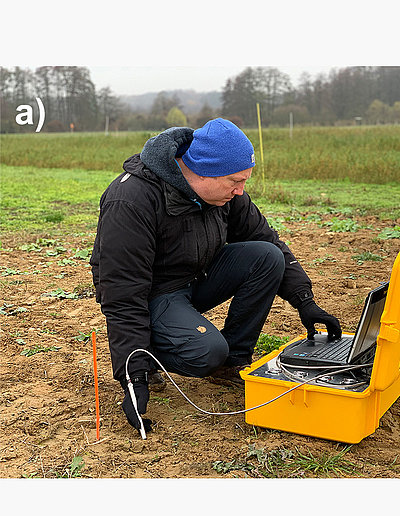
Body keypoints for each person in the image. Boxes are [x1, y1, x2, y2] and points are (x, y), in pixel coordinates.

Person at [90, 118, 342, 434]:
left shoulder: (225, 194)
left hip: (197, 274)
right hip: (153, 292)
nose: (241, 191)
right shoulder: (132, 199)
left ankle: (231, 362)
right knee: (206, 351)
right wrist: (134, 374)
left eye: (245, 181)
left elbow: (265, 237)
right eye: (235, 181)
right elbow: (122, 293)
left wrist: (306, 301)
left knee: (266, 256)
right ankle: (153, 355)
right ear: (203, 171)